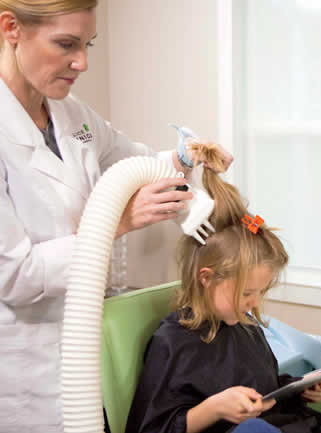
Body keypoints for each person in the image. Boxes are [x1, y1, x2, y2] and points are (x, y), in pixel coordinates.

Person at [0, 1, 232, 432]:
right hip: (22, 374)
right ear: (11, 28)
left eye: (88, 44)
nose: (82, 62)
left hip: (86, 356)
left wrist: (182, 157)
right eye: (66, 44)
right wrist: (115, 221)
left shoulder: (72, 114)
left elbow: (138, 162)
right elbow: (15, 275)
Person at [125, 148, 321, 433]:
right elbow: (153, 427)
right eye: (246, 293)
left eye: (261, 292)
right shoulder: (174, 343)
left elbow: (265, 389)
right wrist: (213, 409)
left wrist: (299, 389)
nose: (254, 303)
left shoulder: (247, 329)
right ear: (207, 278)